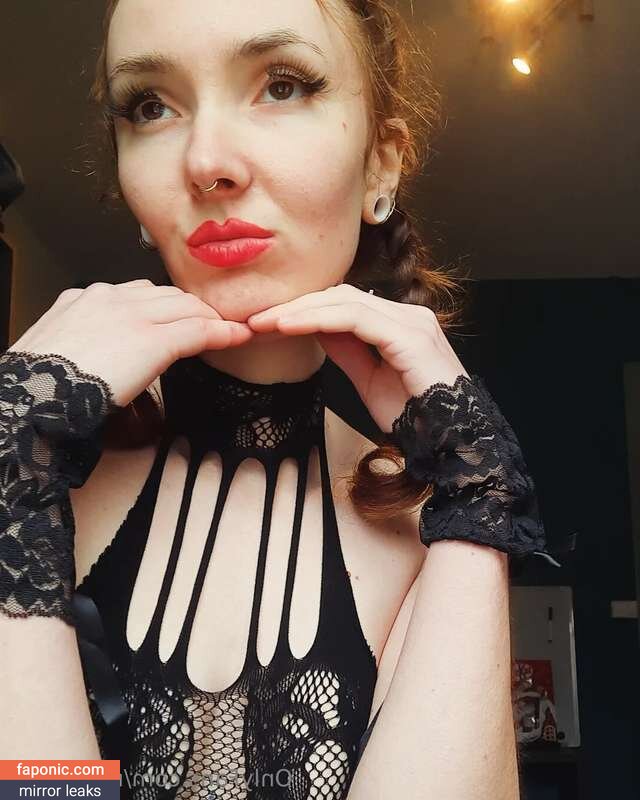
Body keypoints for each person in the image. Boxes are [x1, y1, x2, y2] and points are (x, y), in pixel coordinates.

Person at [0, 1, 563, 798]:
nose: (206, 161)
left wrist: (481, 504)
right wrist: (10, 467)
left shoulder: (427, 525)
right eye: (151, 106)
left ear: (381, 166)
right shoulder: (30, 470)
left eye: (283, 85)